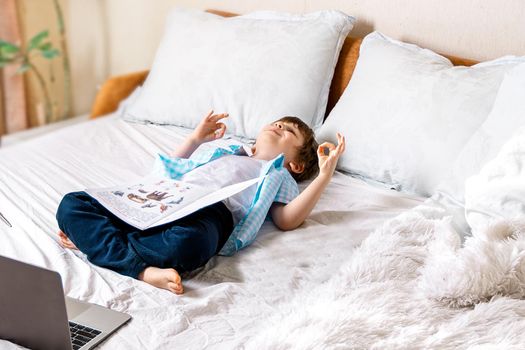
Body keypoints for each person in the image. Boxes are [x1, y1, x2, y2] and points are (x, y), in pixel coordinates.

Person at [56, 110, 345, 295]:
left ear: (295, 164)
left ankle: (100, 243)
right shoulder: (226, 150)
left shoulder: (278, 174)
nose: (279, 127)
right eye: (277, 123)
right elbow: (172, 168)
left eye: (288, 132)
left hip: (212, 212)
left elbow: (287, 220)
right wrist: (195, 138)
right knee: (73, 204)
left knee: (189, 245)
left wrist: (323, 176)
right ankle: (142, 269)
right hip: (168, 198)